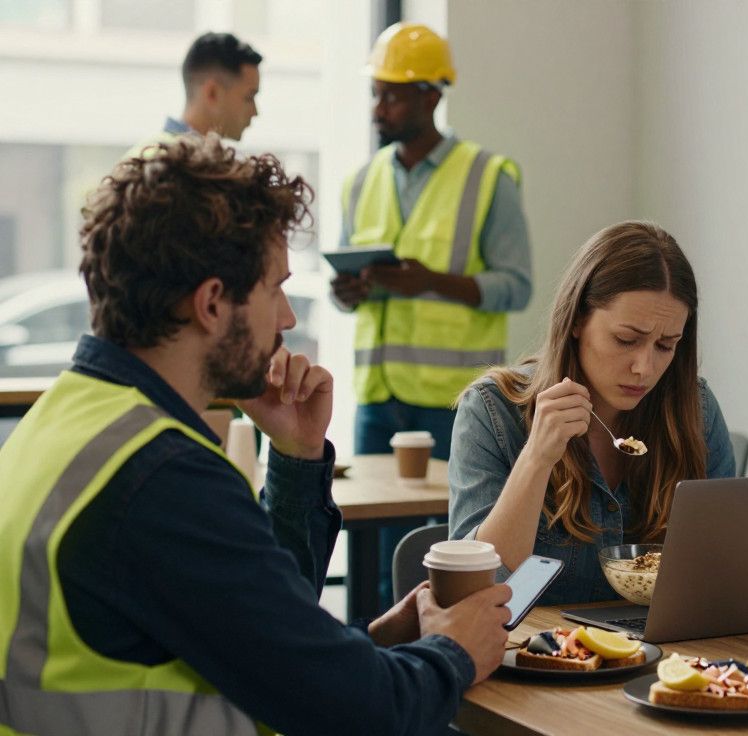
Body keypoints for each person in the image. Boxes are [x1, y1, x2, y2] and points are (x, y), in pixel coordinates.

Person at [0, 135, 510, 735]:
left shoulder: (65, 418)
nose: (288, 318)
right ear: (213, 303)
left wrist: (294, 457)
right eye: (274, 288)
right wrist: (455, 653)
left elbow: (257, 643)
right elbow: (360, 715)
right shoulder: (162, 477)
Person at [330, 22, 532, 609]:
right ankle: (369, 675)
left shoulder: (488, 176)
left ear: (431, 96)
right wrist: (350, 291)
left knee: (449, 559)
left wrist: (430, 282)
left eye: (392, 93)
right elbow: (347, 294)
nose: (379, 106)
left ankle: (440, 674)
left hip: (457, 404)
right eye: (377, 91)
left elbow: (516, 286)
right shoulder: (361, 182)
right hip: (379, 399)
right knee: (372, 562)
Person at [447, 221, 735, 605]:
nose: (644, 368)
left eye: (666, 346)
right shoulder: (492, 409)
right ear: (578, 320)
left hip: (664, 657)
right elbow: (477, 587)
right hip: (539, 653)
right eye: (626, 340)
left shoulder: (695, 408)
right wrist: (537, 458)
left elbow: (724, 565)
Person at [126, 32, 262, 158]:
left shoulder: (153, 155)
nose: (255, 112)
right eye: (249, 97)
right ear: (212, 93)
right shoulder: (163, 164)